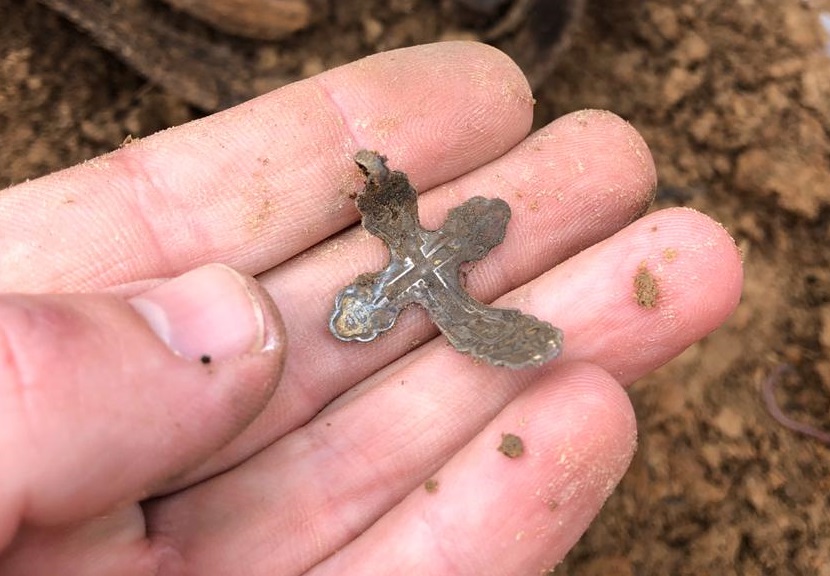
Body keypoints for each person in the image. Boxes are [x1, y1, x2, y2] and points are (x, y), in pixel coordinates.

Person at [0, 42, 742, 575]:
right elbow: (386, 195)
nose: (363, 306)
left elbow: (424, 243)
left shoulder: (440, 280)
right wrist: (374, 172)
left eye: (362, 305)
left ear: (466, 239)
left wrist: (529, 337)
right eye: (364, 306)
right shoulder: (420, 264)